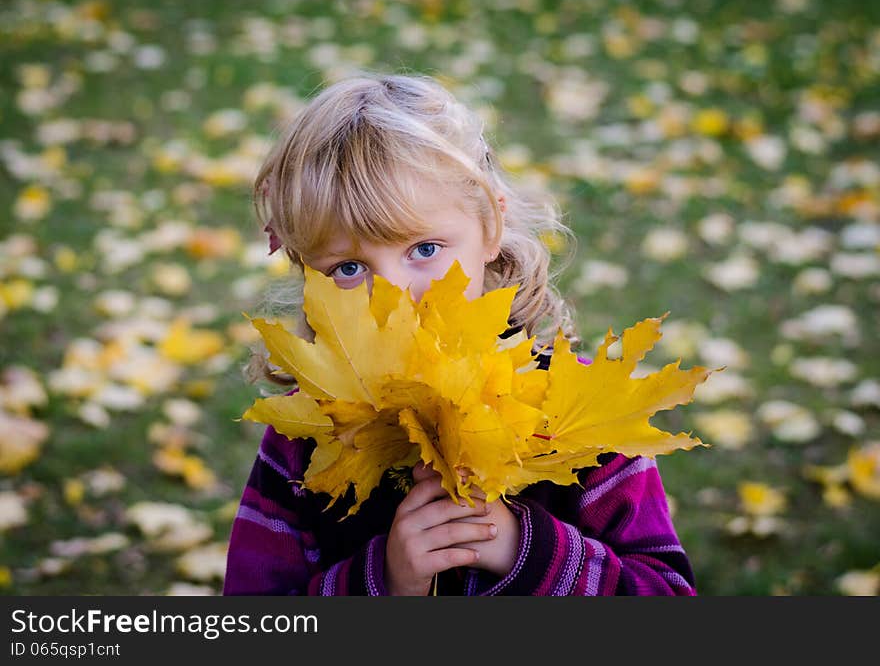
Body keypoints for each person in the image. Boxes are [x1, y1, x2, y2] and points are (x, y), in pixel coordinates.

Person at [222, 72, 696, 596]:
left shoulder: (583, 418)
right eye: (348, 269)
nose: (393, 295)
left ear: (491, 227)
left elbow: (668, 591)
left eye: (424, 250)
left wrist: (527, 550)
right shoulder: (306, 433)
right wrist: (382, 582)